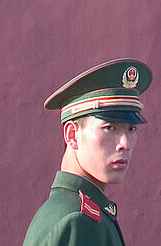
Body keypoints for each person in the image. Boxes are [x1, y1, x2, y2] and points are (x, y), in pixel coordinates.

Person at [23, 58, 152, 246]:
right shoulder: (78, 221)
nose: (124, 143)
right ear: (72, 134)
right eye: (109, 128)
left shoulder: (62, 211)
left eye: (131, 129)